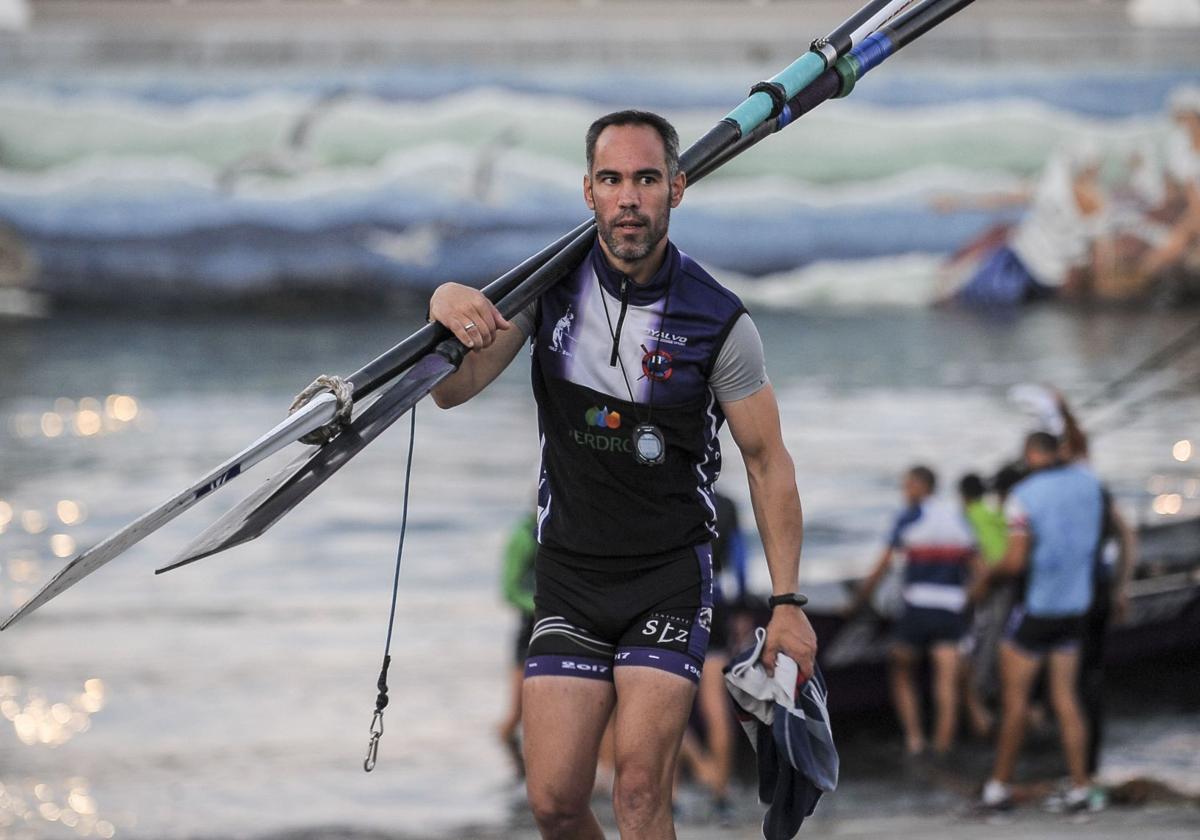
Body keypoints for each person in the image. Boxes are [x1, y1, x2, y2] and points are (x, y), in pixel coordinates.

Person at [426, 110, 815, 839]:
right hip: (570, 575)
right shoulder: (548, 288)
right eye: (612, 179)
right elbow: (451, 390)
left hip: (668, 574)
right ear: (588, 192)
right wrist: (446, 301)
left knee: (639, 793)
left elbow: (768, 462)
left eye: (645, 179)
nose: (628, 197)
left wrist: (788, 601)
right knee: (556, 803)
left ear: (677, 188)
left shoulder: (718, 320)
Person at [972, 432, 1104, 813]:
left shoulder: (1024, 495)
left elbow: (1014, 562)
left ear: (1031, 454)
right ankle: (1081, 788)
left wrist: (983, 579)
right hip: (1076, 607)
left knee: (1015, 703)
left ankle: (998, 788)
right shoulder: (1088, 482)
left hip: (1036, 609)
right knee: (1066, 699)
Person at [852, 466, 977, 757]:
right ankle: (943, 746)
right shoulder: (958, 517)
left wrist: (858, 602)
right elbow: (979, 568)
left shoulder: (910, 516)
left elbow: (883, 565)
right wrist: (967, 599)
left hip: (917, 609)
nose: (904, 491)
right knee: (946, 681)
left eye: (908, 485)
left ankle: (915, 740)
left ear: (923, 486)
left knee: (901, 669)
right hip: (951, 610)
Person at [957, 472, 1008, 737]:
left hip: (991, 587)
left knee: (982, 646)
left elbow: (982, 557)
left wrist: (974, 590)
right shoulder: (992, 512)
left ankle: (983, 707)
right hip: (1010, 583)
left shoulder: (970, 516)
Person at [497, 509, 538, 780]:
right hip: (531, 628)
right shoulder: (523, 535)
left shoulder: (569, 526)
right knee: (517, 714)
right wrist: (544, 607)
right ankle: (517, 770)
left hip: (561, 623)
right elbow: (509, 591)